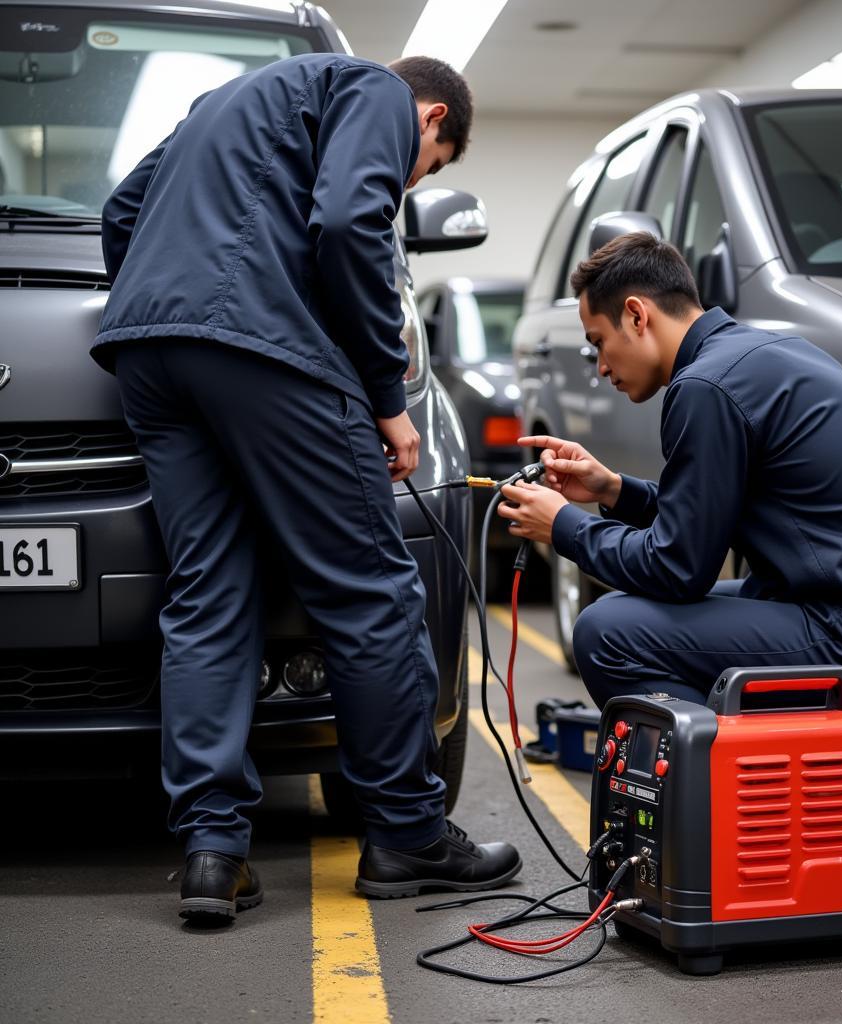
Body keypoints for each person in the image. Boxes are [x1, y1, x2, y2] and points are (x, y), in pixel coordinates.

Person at [92, 53, 520, 922]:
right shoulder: (375, 90)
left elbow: (121, 211)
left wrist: (166, 306)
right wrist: (386, 395)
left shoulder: (223, 102)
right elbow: (345, 223)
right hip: (261, 346)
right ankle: (405, 832)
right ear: (431, 118)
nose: (410, 176)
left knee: (208, 595)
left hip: (145, 352)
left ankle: (213, 853)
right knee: (369, 589)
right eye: (422, 170)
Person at [499, 232, 842, 709]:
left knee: (607, 632)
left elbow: (677, 569)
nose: (600, 366)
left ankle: (712, 778)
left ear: (637, 316)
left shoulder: (705, 387)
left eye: (599, 342)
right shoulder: (748, 357)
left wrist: (564, 526)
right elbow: (704, 520)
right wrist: (613, 490)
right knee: (630, 613)